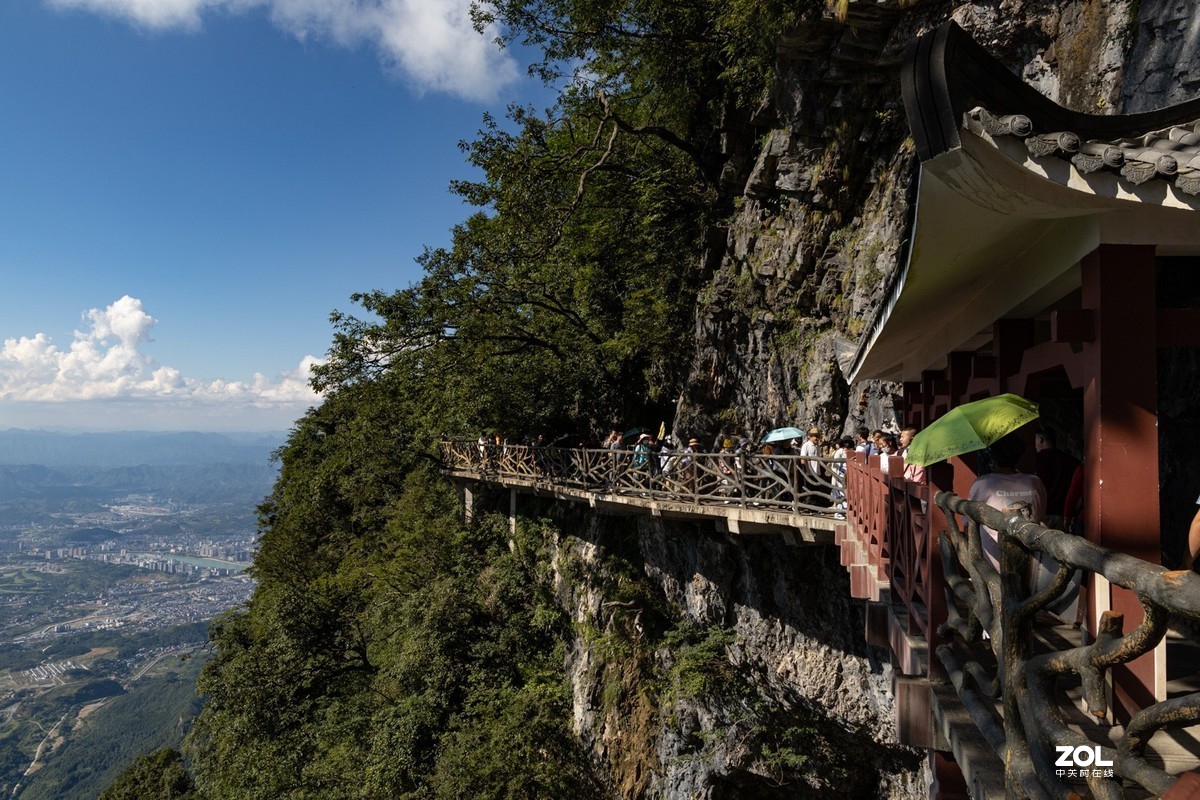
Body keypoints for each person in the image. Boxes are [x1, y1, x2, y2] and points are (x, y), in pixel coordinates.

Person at [967, 432, 1046, 571]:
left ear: (993, 457)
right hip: (1032, 559)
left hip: (994, 561)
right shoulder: (1035, 482)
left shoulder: (983, 483)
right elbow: (1041, 512)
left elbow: (968, 524)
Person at [1033, 428, 1080, 531]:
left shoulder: (1040, 459)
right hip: (1064, 514)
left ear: (1041, 440)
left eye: (1035, 440)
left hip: (1045, 513)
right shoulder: (1071, 461)